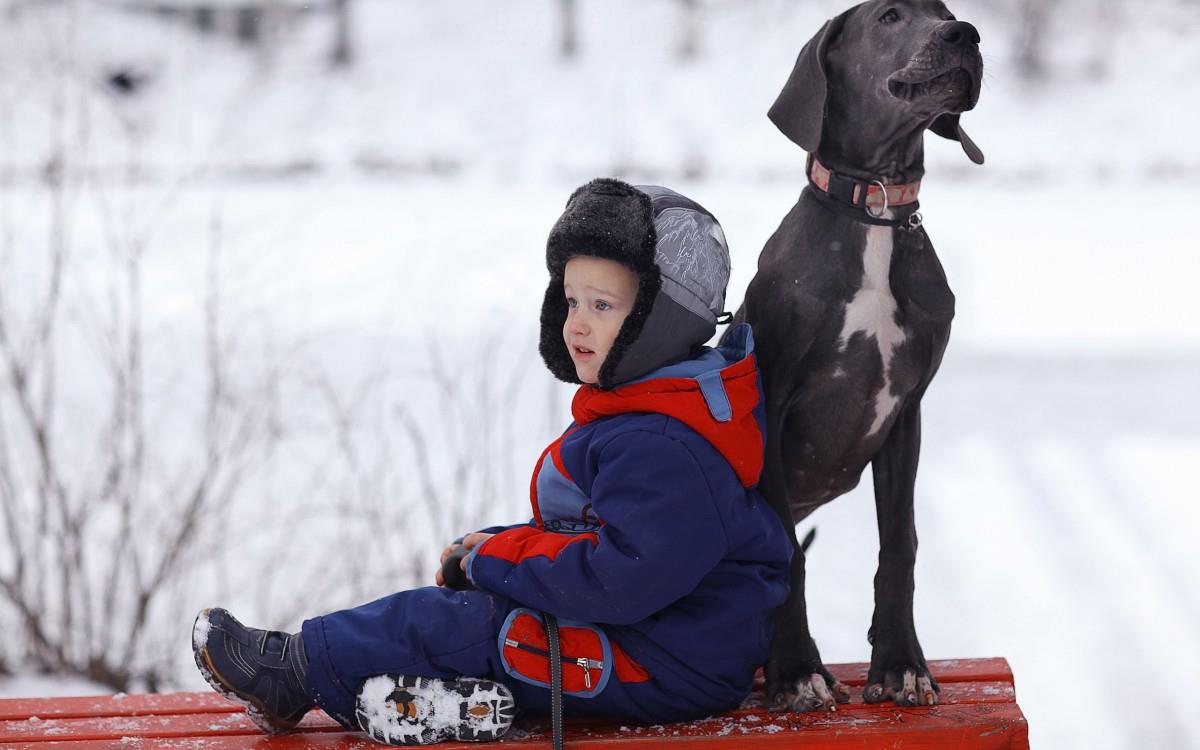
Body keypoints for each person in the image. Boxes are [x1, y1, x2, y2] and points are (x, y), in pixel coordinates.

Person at [192, 178, 792, 746]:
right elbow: (594, 537)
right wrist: (501, 545)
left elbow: (620, 578)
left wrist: (496, 560)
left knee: (472, 626)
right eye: (571, 298)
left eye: (603, 306)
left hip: (664, 660)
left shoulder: (666, 444)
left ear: (659, 322)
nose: (575, 323)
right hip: (654, 640)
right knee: (478, 618)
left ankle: (294, 673)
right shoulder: (653, 415)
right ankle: (445, 701)